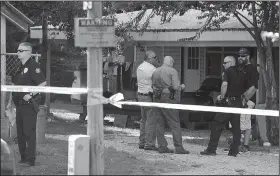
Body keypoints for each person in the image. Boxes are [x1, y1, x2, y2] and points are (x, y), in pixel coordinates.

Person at [6, 42, 46, 167]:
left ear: (29, 52)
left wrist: (31, 94)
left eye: (21, 50)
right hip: (19, 105)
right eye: (17, 50)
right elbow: (15, 86)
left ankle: (31, 159)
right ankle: (23, 157)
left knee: (29, 132)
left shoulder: (34, 66)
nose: (18, 52)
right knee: (20, 133)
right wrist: (10, 103)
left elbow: (43, 83)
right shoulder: (19, 67)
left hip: (29, 104)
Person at [200, 56, 246, 157]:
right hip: (238, 103)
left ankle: (211, 150)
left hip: (228, 103)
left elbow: (224, 85)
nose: (223, 65)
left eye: (225, 63)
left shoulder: (227, 72)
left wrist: (222, 97)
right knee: (236, 128)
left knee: (216, 124)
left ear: (230, 63)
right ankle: (234, 151)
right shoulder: (242, 73)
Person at [151, 56, 189, 154]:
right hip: (168, 98)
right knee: (174, 123)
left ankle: (162, 146)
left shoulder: (155, 71)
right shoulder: (172, 71)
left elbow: (153, 85)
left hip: (157, 97)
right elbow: (176, 87)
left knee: (159, 122)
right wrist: (182, 86)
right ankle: (179, 147)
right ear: (171, 62)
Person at [236, 48, 271, 150]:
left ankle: (245, 145)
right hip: (239, 99)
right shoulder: (241, 68)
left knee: (245, 123)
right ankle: (239, 144)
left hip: (247, 100)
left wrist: (244, 99)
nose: (240, 58)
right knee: (239, 122)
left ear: (248, 56)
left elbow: (254, 87)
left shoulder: (252, 69)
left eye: (243, 56)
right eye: (239, 55)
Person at [137, 50, 159, 150]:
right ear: (149, 58)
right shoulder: (152, 69)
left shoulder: (140, 67)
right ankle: (149, 144)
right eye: (155, 58)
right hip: (149, 96)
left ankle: (142, 142)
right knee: (151, 120)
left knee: (144, 120)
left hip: (140, 95)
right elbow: (157, 83)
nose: (156, 59)